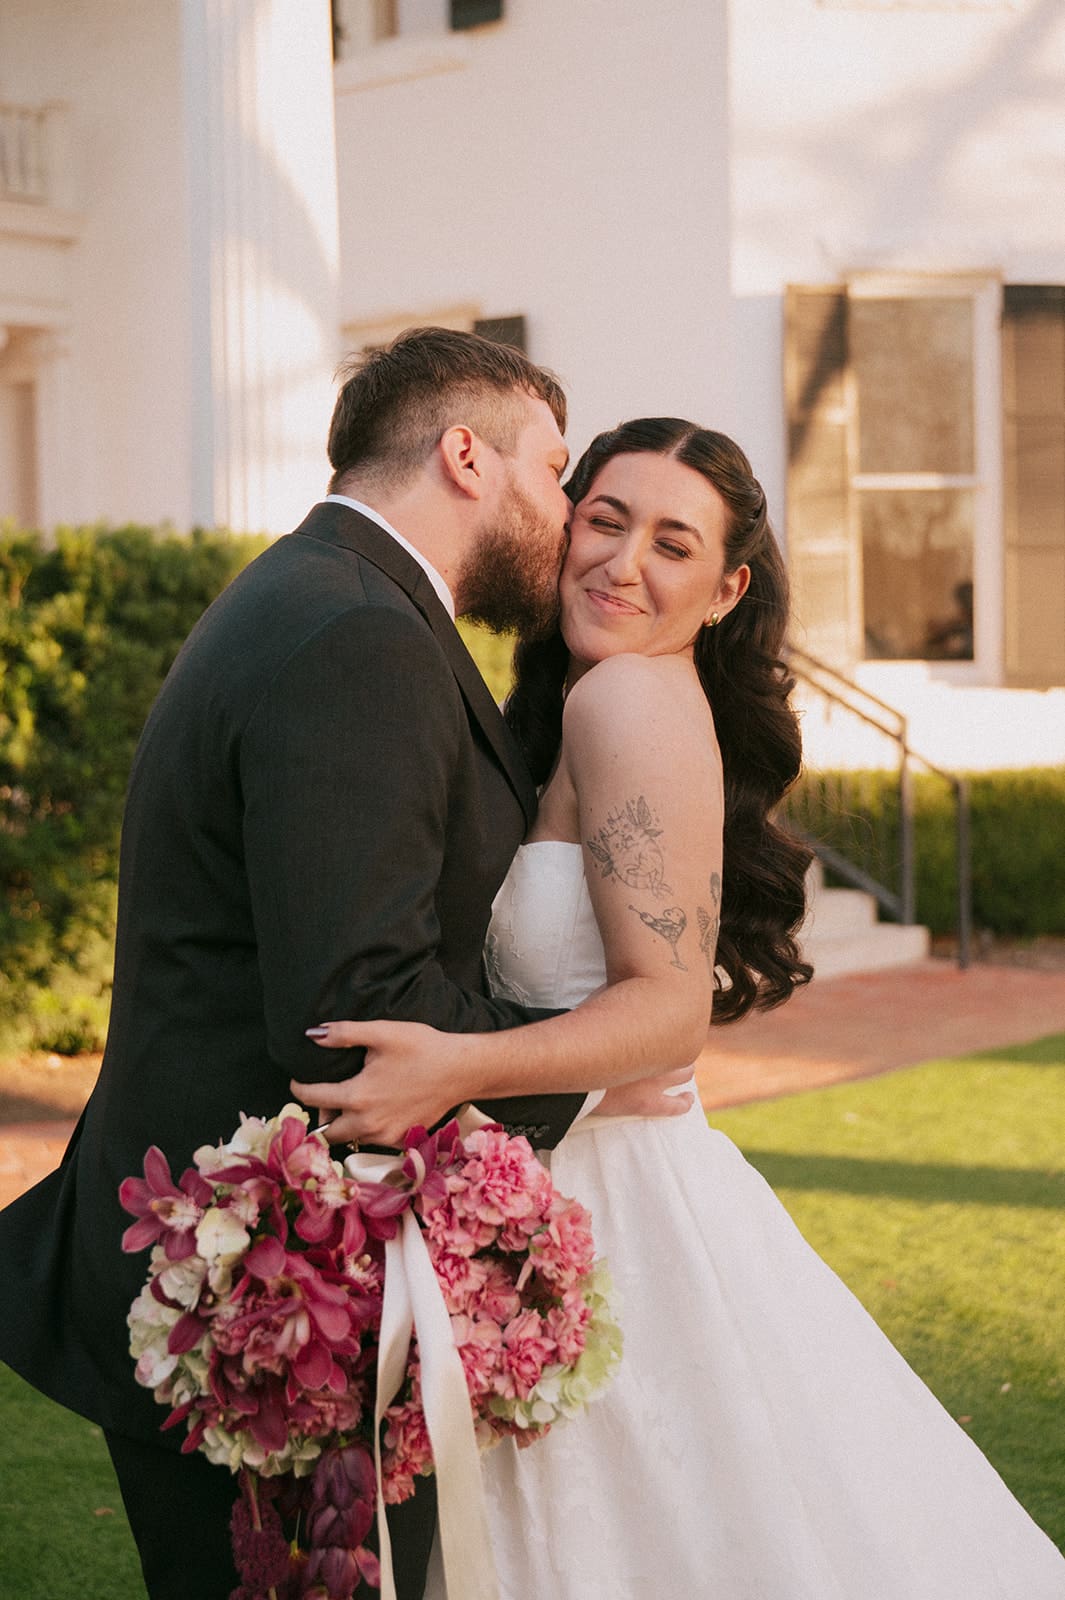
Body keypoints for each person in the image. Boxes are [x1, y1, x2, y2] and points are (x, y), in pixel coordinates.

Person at [296, 418, 1065, 1598]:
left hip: (616, 1202)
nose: (621, 563)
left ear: (726, 587)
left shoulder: (630, 705)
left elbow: (667, 1016)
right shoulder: (588, 701)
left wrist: (450, 1065)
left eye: (672, 543)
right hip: (569, 1179)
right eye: (603, 519)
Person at [0, 332, 682, 1600]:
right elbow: (359, 1012)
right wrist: (593, 1074)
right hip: (261, 1293)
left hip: (245, 1254)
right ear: (466, 456)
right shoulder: (357, 634)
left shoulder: (325, 594)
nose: (573, 516)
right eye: (554, 468)